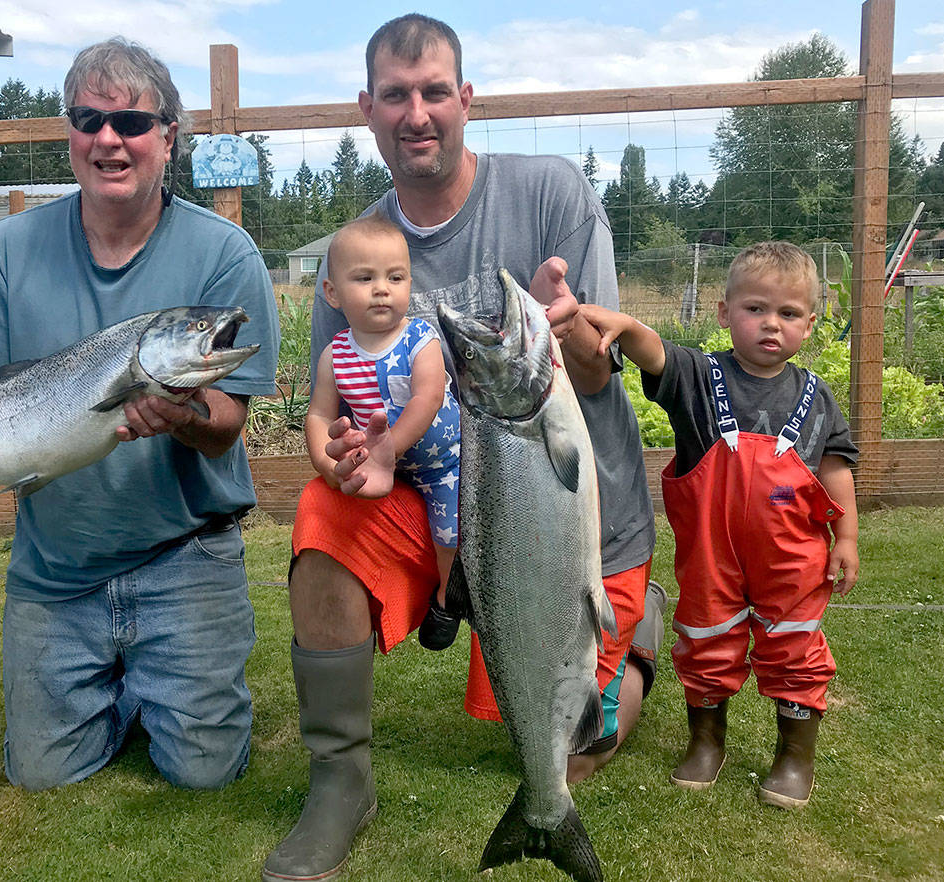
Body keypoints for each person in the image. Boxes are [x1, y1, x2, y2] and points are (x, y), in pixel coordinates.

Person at [262, 15, 662, 882]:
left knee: (572, 750)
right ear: (366, 109)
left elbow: (599, 379)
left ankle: (635, 640)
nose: (418, 113)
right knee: (320, 511)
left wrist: (578, 336)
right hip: (437, 505)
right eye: (397, 96)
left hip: (576, 520)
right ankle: (340, 784)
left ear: (466, 100)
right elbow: (343, 406)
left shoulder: (553, 193)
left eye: (435, 91)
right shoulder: (356, 251)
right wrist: (338, 450)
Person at [0, 37, 280, 792]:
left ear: (168, 136)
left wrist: (186, 415)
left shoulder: (226, 257)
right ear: (70, 132)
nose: (108, 139)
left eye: (131, 123)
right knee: (41, 776)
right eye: (89, 118)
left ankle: (150, 679)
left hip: (185, 557)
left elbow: (228, 424)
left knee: (204, 775)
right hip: (56, 567)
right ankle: (131, 685)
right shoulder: (4, 252)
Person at [578, 241, 859, 808]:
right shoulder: (698, 378)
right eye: (755, 309)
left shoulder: (817, 396)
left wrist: (847, 536)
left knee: (795, 649)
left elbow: (835, 467)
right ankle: (707, 742)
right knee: (706, 642)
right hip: (711, 558)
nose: (771, 325)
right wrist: (626, 325)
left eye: (788, 314)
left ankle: (794, 757)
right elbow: (654, 352)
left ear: (810, 321)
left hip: (794, 558)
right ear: (724, 313)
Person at [303, 214, 461, 643]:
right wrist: (327, 463)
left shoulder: (420, 339)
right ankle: (356, 611)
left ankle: (448, 598)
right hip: (380, 466)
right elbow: (318, 415)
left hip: (443, 462)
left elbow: (427, 399)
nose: (381, 289)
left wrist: (389, 446)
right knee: (341, 515)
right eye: (364, 278)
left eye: (395, 277)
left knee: (452, 532)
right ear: (332, 293)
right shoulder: (335, 356)